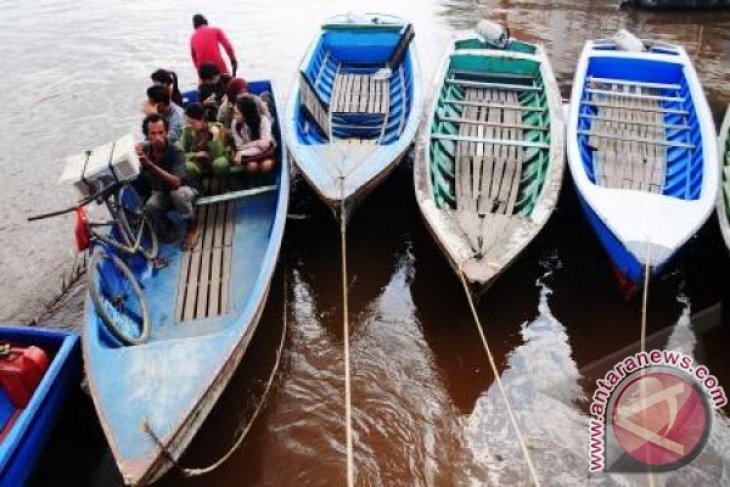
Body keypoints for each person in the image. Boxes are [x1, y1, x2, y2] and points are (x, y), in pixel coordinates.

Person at [135, 113, 197, 250]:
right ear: (147, 135)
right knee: (150, 206)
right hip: (162, 192)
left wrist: (150, 164)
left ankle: (192, 229)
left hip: (184, 190)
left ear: (166, 132)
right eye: (153, 133)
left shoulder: (176, 151)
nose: (157, 137)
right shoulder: (145, 149)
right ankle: (168, 228)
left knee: (178, 194)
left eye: (161, 132)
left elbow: (176, 184)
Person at [180, 102, 230, 183]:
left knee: (221, 163)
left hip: (214, 160)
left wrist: (215, 137)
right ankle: (197, 190)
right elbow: (181, 154)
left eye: (192, 122)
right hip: (198, 163)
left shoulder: (218, 128)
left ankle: (224, 187)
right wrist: (196, 155)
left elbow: (221, 155)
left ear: (203, 119)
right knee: (187, 167)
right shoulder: (188, 131)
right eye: (188, 122)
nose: (190, 125)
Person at [230, 95, 275, 174]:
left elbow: (265, 146)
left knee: (266, 165)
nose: (234, 116)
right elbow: (240, 147)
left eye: (237, 113)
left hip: (265, 153)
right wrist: (257, 143)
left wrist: (242, 152)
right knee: (252, 166)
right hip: (249, 156)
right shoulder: (235, 124)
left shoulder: (263, 121)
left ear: (246, 114)